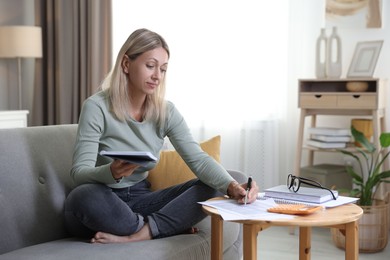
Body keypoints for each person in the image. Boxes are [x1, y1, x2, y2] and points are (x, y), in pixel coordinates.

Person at [64, 28, 259, 244]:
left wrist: (233, 187)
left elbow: (198, 160)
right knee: (82, 197)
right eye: (150, 66)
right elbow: (79, 173)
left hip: (141, 200)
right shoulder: (96, 107)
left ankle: (139, 234)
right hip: (104, 201)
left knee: (225, 181)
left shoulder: (166, 112)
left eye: (163, 69)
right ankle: (161, 226)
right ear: (126, 64)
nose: (157, 76)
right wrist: (112, 172)